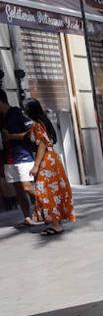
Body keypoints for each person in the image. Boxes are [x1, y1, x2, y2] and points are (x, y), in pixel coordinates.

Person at [25, 99, 76, 235]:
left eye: (26, 109)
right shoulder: (44, 121)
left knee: (46, 192)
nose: (25, 111)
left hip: (45, 161)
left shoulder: (36, 124)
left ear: (31, 110)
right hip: (53, 159)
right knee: (53, 190)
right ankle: (56, 221)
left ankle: (55, 224)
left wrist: (36, 166)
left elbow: (42, 144)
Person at [2, 90, 38, 229]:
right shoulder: (1, 117)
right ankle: (27, 218)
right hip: (9, 159)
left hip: (23, 155)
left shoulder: (17, 113)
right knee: (19, 191)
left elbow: (31, 133)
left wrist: (11, 137)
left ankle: (52, 208)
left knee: (28, 187)